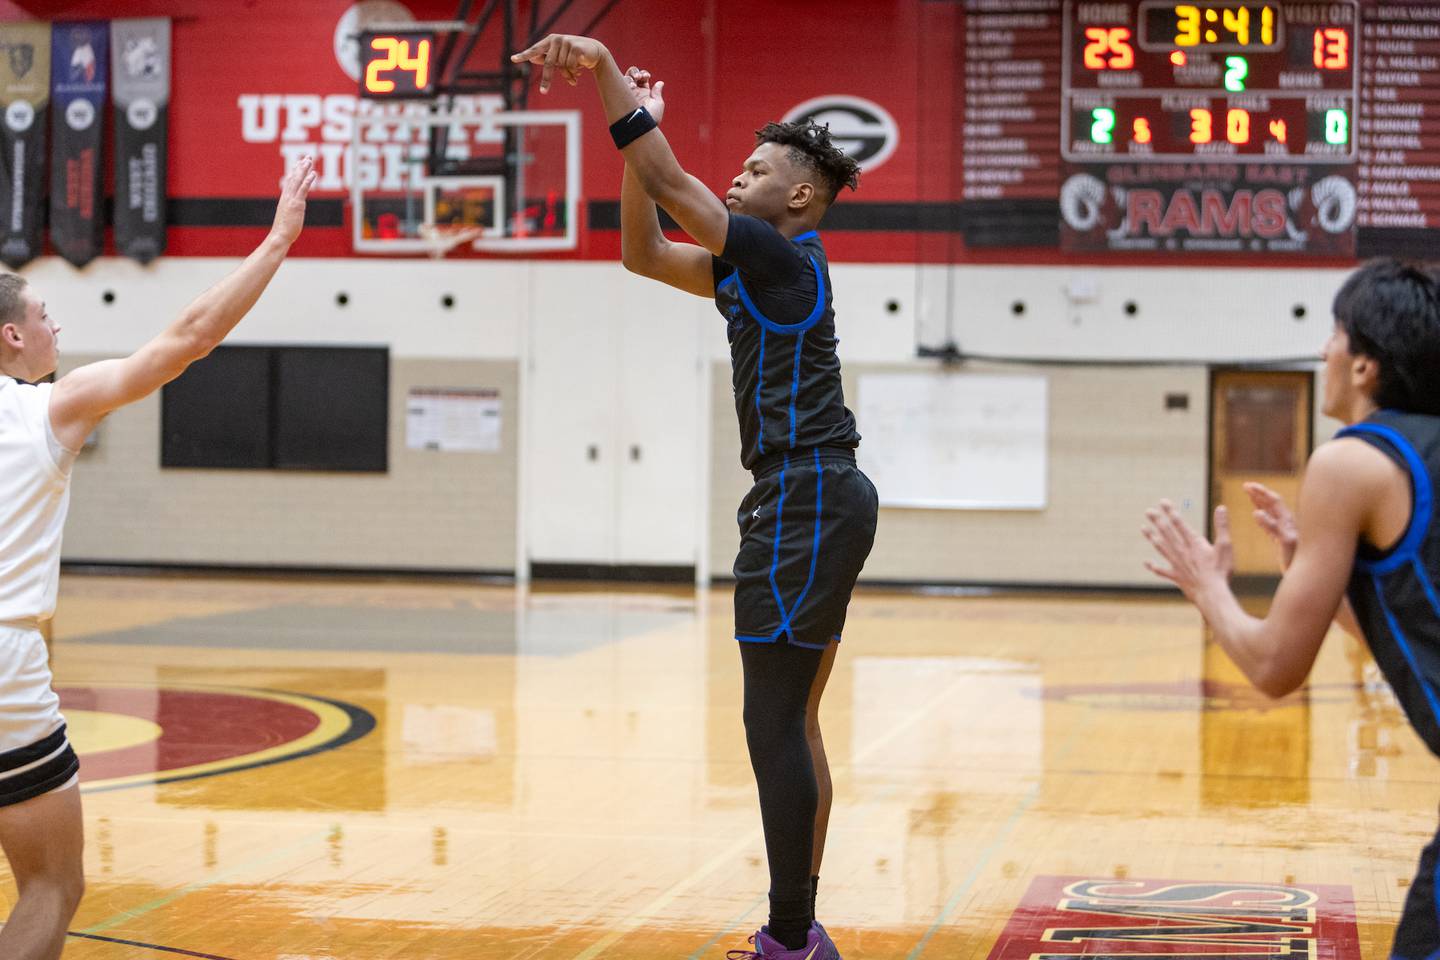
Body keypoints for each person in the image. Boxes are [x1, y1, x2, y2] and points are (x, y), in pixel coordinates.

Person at [510, 36, 879, 960]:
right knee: (790, 720)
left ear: (798, 195)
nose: (736, 175)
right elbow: (642, 250)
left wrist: (602, 71)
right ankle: (800, 932)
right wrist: (643, 147)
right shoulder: (749, 269)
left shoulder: (786, 260)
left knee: (772, 722)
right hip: (812, 494)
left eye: (754, 169)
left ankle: (789, 940)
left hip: (806, 494)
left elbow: (675, 188)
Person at [0, 155, 317, 960]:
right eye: (43, 313)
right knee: (51, 884)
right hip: (4, 661)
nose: (55, 327)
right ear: (11, 335)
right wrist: (278, 238)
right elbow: (189, 338)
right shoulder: (45, 411)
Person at [1142, 258, 1440, 960]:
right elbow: (1419, 627)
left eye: (1333, 335)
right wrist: (1325, 576)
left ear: (1365, 364)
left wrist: (1208, 587)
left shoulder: (1352, 463)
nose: (1321, 352)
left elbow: (1275, 666)